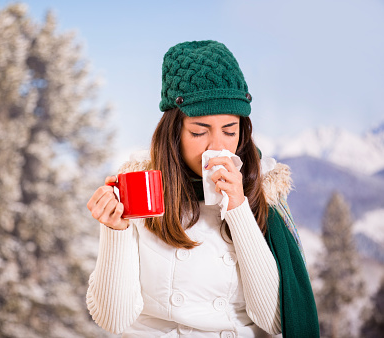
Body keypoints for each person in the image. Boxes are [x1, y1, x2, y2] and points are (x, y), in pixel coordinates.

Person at [86, 40, 319, 337]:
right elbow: (113, 320)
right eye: (199, 131)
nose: (217, 147)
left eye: (229, 130)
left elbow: (275, 321)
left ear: (243, 134)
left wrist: (238, 209)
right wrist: (115, 231)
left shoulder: (263, 194)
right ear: (174, 133)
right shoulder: (142, 191)